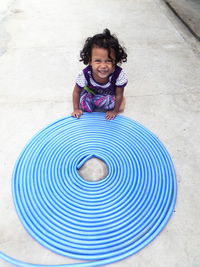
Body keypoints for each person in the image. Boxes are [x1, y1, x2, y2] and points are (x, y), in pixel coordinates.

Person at [71, 29, 128, 120]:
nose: (103, 66)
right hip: (92, 93)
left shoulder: (118, 75)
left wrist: (115, 111)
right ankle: (93, 99)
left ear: (115, 61)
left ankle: (118, 102)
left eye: (108, 61)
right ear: (90, 61)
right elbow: (76, 91)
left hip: (109, 96)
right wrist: (76, 109)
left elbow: (118, 95)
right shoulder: (85, 74)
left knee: (119, 106)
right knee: (84, 106)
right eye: (98, 61)